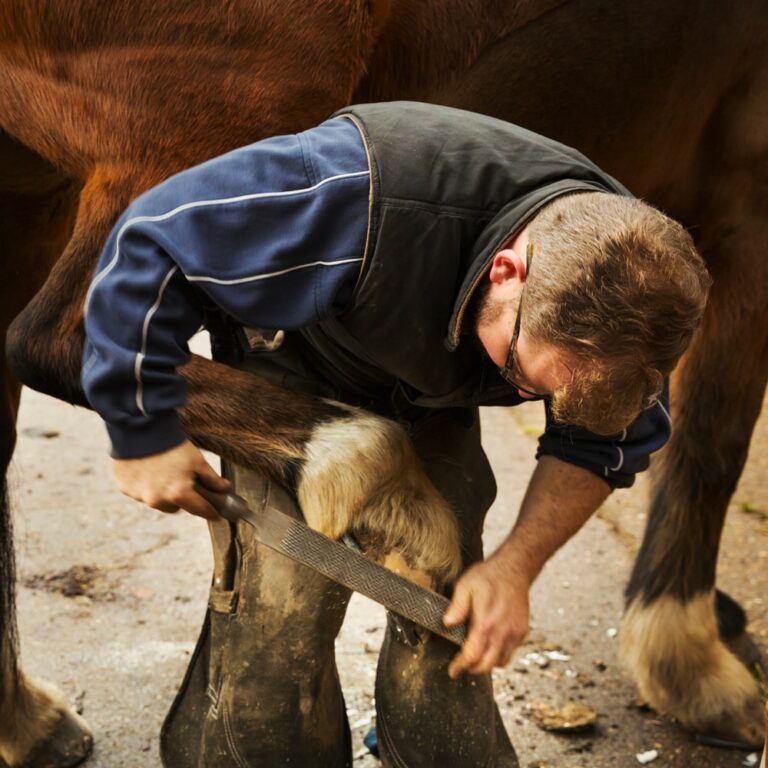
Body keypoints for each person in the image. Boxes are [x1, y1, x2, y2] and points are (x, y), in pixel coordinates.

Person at [82, 101, 710, 767]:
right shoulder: (356, 195)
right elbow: (153, 238)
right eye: (525, 378)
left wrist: (515, 567)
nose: (535, 399)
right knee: (283, 625)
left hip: (428, 384)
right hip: (300, 363)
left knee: (450, 611)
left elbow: (602, 445)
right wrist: (140, 424)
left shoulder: (637, 302)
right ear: (507, 273)